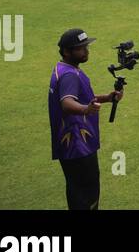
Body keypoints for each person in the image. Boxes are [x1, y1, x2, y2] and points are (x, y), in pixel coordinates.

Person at [49, 28, 122, 209]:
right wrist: (85, 109)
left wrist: (106, 98)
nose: (86, 50)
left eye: (86, 46)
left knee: (77, 193)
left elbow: (77, 98)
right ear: (67, 51)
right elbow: (67, 103)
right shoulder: (69, 75)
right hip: (77, 146)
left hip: (72, 145)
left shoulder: (63, 68)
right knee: (87, 195)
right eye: (81, 48)